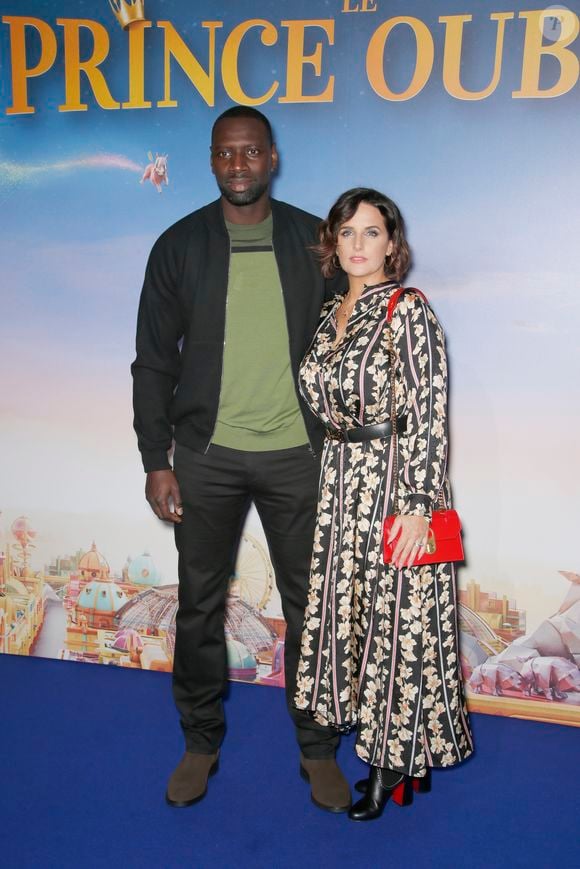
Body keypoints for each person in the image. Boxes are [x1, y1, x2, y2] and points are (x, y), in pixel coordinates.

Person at [131, 106, 350, 812]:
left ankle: (317, 749)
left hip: (298, 457)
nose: (238, 164)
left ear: (272, 158)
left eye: (251, 151)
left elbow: (353, 344)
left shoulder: (315, 243)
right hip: (205, 458)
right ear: (211, 159)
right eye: (226, 153)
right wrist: (154, 457)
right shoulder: (179, 245)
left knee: (311, 609)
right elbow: (152, 362)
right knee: (198, 607)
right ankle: (199, 742)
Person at [294, 188, 474, 822]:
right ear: (332, 243)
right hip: (342, 483)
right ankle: (389, 750)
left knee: (397, 628)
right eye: (347, 233)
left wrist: (421, 506)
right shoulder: (327, 316)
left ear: (393, 244)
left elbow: (430, 415)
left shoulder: (408, 311)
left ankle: (390, 760)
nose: (358, 245)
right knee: (356, 619)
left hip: (400, 485)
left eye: (372, 233)